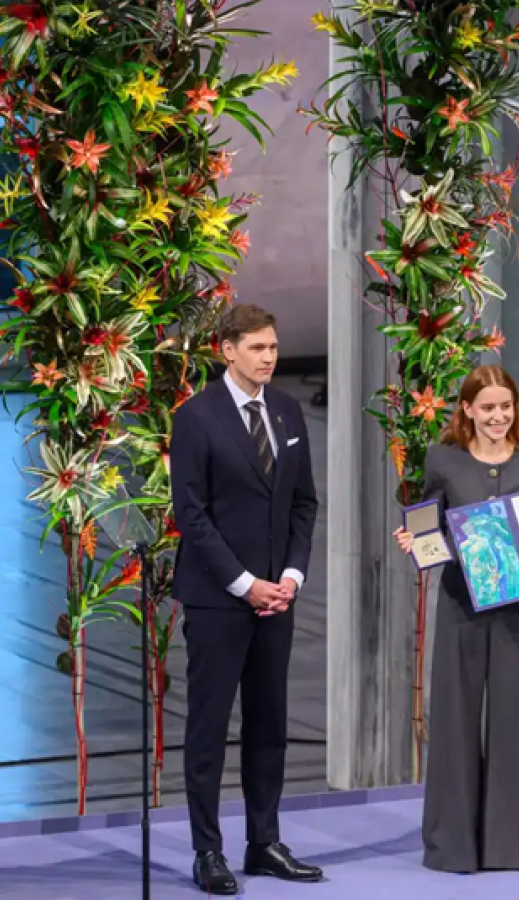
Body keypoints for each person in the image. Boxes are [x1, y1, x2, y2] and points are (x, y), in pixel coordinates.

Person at [170, 303, 322, 895]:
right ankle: (208, 850)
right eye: (257, 348)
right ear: (227, 350)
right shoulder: (196, 418)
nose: (269, 357)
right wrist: (244, 583)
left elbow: (302, 504)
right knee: (209, 727)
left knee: (268, 724)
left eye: (274, 347)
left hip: (276, 599)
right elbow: (192, 514)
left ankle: (264, 841)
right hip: (219, 600)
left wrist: (290, 577)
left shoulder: (285, 411)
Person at [392, 364, 519, 873]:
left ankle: (506, 848)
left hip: (515, 613)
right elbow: (430, 525)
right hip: (461, 607)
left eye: (506, 407)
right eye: (487, 407)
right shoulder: (442, 459)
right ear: (466, 409)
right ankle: (452, 847)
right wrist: (415, 542)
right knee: (454, 724)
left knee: (510, 726)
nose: (498, 416)